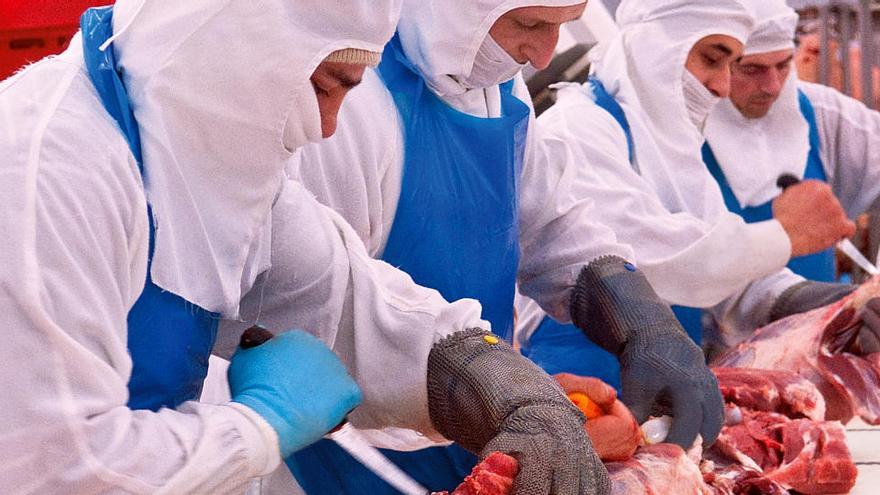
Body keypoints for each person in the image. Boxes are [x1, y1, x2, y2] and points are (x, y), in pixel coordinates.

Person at [274, 0, 726, 492]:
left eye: (561, 28)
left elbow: (551, 222)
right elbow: (321, 304)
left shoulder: (497, 83)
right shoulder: (349, 96)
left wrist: (635, 317)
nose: (542, 55)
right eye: (529, 24)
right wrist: (491, 386)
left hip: (474, 428)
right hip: (350, 450)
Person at [0, 0, 403, 492]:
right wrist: (258, 428)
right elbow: (55, 466)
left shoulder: (203, 161)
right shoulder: (44, 170)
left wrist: (470, 366)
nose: (327, 128)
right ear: (237, 41)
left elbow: (337, 297)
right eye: (322, 87)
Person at [519, 0, 876, 395]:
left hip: (666, 389)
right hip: (582, 389)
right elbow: (648, 263)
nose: (721, 87)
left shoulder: (674, 150)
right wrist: (785, 235)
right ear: (659, 45)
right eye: (713, 59)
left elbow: (730, 283)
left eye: (730, 65)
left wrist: (830, 304)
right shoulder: (576, 132)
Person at [702, 0, 880, 351]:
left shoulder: (822, 114)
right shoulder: (669, 131)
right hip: (691, 359)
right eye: (751, 69)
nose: (772, 85)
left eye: (783, 65)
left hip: (817, 349)